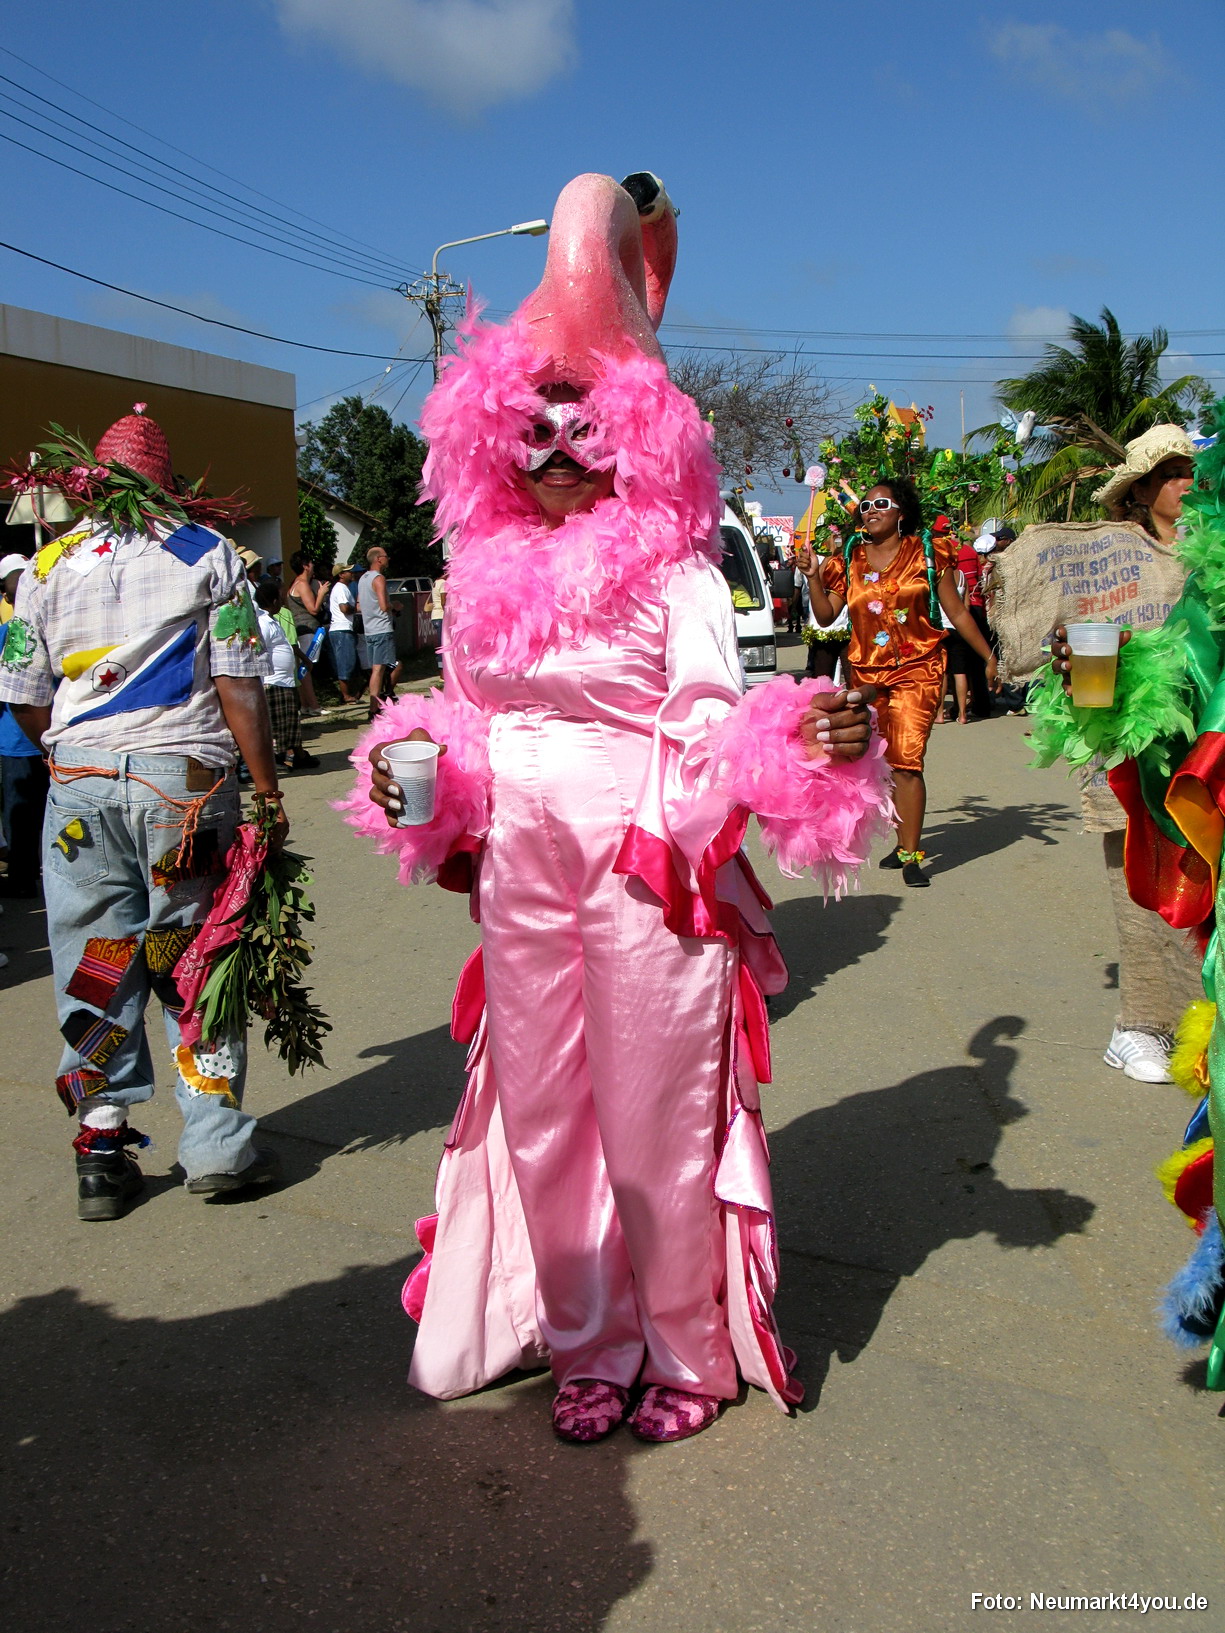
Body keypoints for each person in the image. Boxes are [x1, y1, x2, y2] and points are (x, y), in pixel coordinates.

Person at [340, 170, 890, 1445]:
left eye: (582, 413)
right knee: (542, 1116)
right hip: (523, 871)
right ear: (487, 429)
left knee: (652, 1118)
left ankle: (684, 1352)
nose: (554, 442)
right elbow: (463, 721)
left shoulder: (679, 575)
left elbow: (713, 725)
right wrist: (409, 768)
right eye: (531, 413)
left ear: (639, 428)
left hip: (649, 867)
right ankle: (586, 1342)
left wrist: (808, 735)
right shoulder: (478, 574)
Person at [0, 405, 286, 1220]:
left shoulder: (45, 567)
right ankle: (216, 1144)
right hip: (182, 788)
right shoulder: (210, 554)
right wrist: (265, 790)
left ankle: (99, 1141)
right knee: (189, 959)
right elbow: (238, 684)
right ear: (169, 483)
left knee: (96, 957)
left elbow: (23, 696)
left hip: (81, 788)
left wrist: (71, 756)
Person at [1036, 400, 1225, 1372]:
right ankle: (1135, 1025)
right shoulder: (1126, 569)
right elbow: (1107, 695)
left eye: (1195, 470)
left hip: (1197, 793)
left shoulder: (1204, 561)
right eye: (1174, 474)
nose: (1188, 486)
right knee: (1137, 903)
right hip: (1151, 785)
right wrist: (1086, 684)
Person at [800, 476, 998, 887]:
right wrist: (813, 576)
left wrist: (989, 657)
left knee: (908, 760)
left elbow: (958, 613)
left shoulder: (928, 552)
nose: (870, 511)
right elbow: (824, 615)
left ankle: (911, 854)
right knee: (886, 762)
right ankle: (900, 839)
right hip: (866, 675)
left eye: (881, 504)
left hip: (918, 669)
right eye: (866, 506)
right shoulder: (849, 557)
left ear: (901, 513)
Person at [0, 556, 48, 897]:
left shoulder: (18, 633)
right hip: (30, 742)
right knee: (32, 817)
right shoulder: (9, 635)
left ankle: (25, 877)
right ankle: (26, 876)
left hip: (34, 741)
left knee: (26, 817)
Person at [255, 579, 318, 771]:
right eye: (280, 597)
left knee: (290, 722)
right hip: (274, 682)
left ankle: (295, 756)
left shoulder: (273, 621)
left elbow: (286, 646)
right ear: (273, 600)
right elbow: (257, 649)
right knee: (279, 724)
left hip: (286, 681)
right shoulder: (263, 623)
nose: (283, 600)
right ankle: (280, 758)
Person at [357, 545, 402, 718]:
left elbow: (359, 605)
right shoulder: (379, 578)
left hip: (369, 630)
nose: (388, 559)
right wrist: (395, 605)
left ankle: (375, 705)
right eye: (386, 556)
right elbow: (384, 606)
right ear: (378, 559)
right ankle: (375, 707)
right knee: (380, 669)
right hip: (382, 628)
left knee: (376, 669)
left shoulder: (363, 579)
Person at [287, 551, 330, 717]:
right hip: (307, 629)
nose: (313, 566)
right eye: (311, 563)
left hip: (299, 628)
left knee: (303, 668)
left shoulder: (294, 583)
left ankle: (305, 705)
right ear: (305, 565)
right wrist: (321, 594)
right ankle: (313, 705)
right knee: (307, 667)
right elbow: (313, 609)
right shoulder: (303, 584)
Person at [328, 564, 364, 704]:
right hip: (342, 629)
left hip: (343, 629)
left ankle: (350, 693)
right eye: (347, 571)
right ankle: (345, 695)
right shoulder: (341, 588)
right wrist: (354, 609)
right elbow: (344, 608)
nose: (351, 573)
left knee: (350, 662)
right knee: (345, 663)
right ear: (341, 575)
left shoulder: (342, 588)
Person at [428, 573, 446, 674]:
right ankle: (442, 673)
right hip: (441, 616)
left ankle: (441, 672)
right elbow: (444, 602)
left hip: (435, 616)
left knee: (440, 644)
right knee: (443, 645)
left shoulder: (436, 582)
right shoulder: (443, 583)